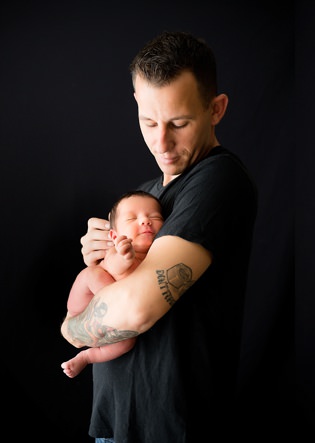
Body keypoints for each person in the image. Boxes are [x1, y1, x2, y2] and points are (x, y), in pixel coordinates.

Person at [61, 30, 258, 442]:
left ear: (216, 109)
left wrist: (70, 327)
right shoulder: (147, 197)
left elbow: (134, 311)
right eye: (148, 121)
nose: (161, 142)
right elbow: (114, 282)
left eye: (179, 123)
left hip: (174, 426)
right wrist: (99, 258)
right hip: (114, 422)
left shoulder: (217, 180)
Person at [61, 191, 164, 378]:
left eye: (155, 217)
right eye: (132, 218)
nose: (145, 221)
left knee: (127, 342)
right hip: (85, 300)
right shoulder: (117, 251)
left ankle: (87, 357)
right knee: (93, 274)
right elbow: (116, 266)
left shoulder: (159, 253)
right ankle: (111, 303)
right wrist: (125, 256)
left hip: (111, 319)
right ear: (113, 234)